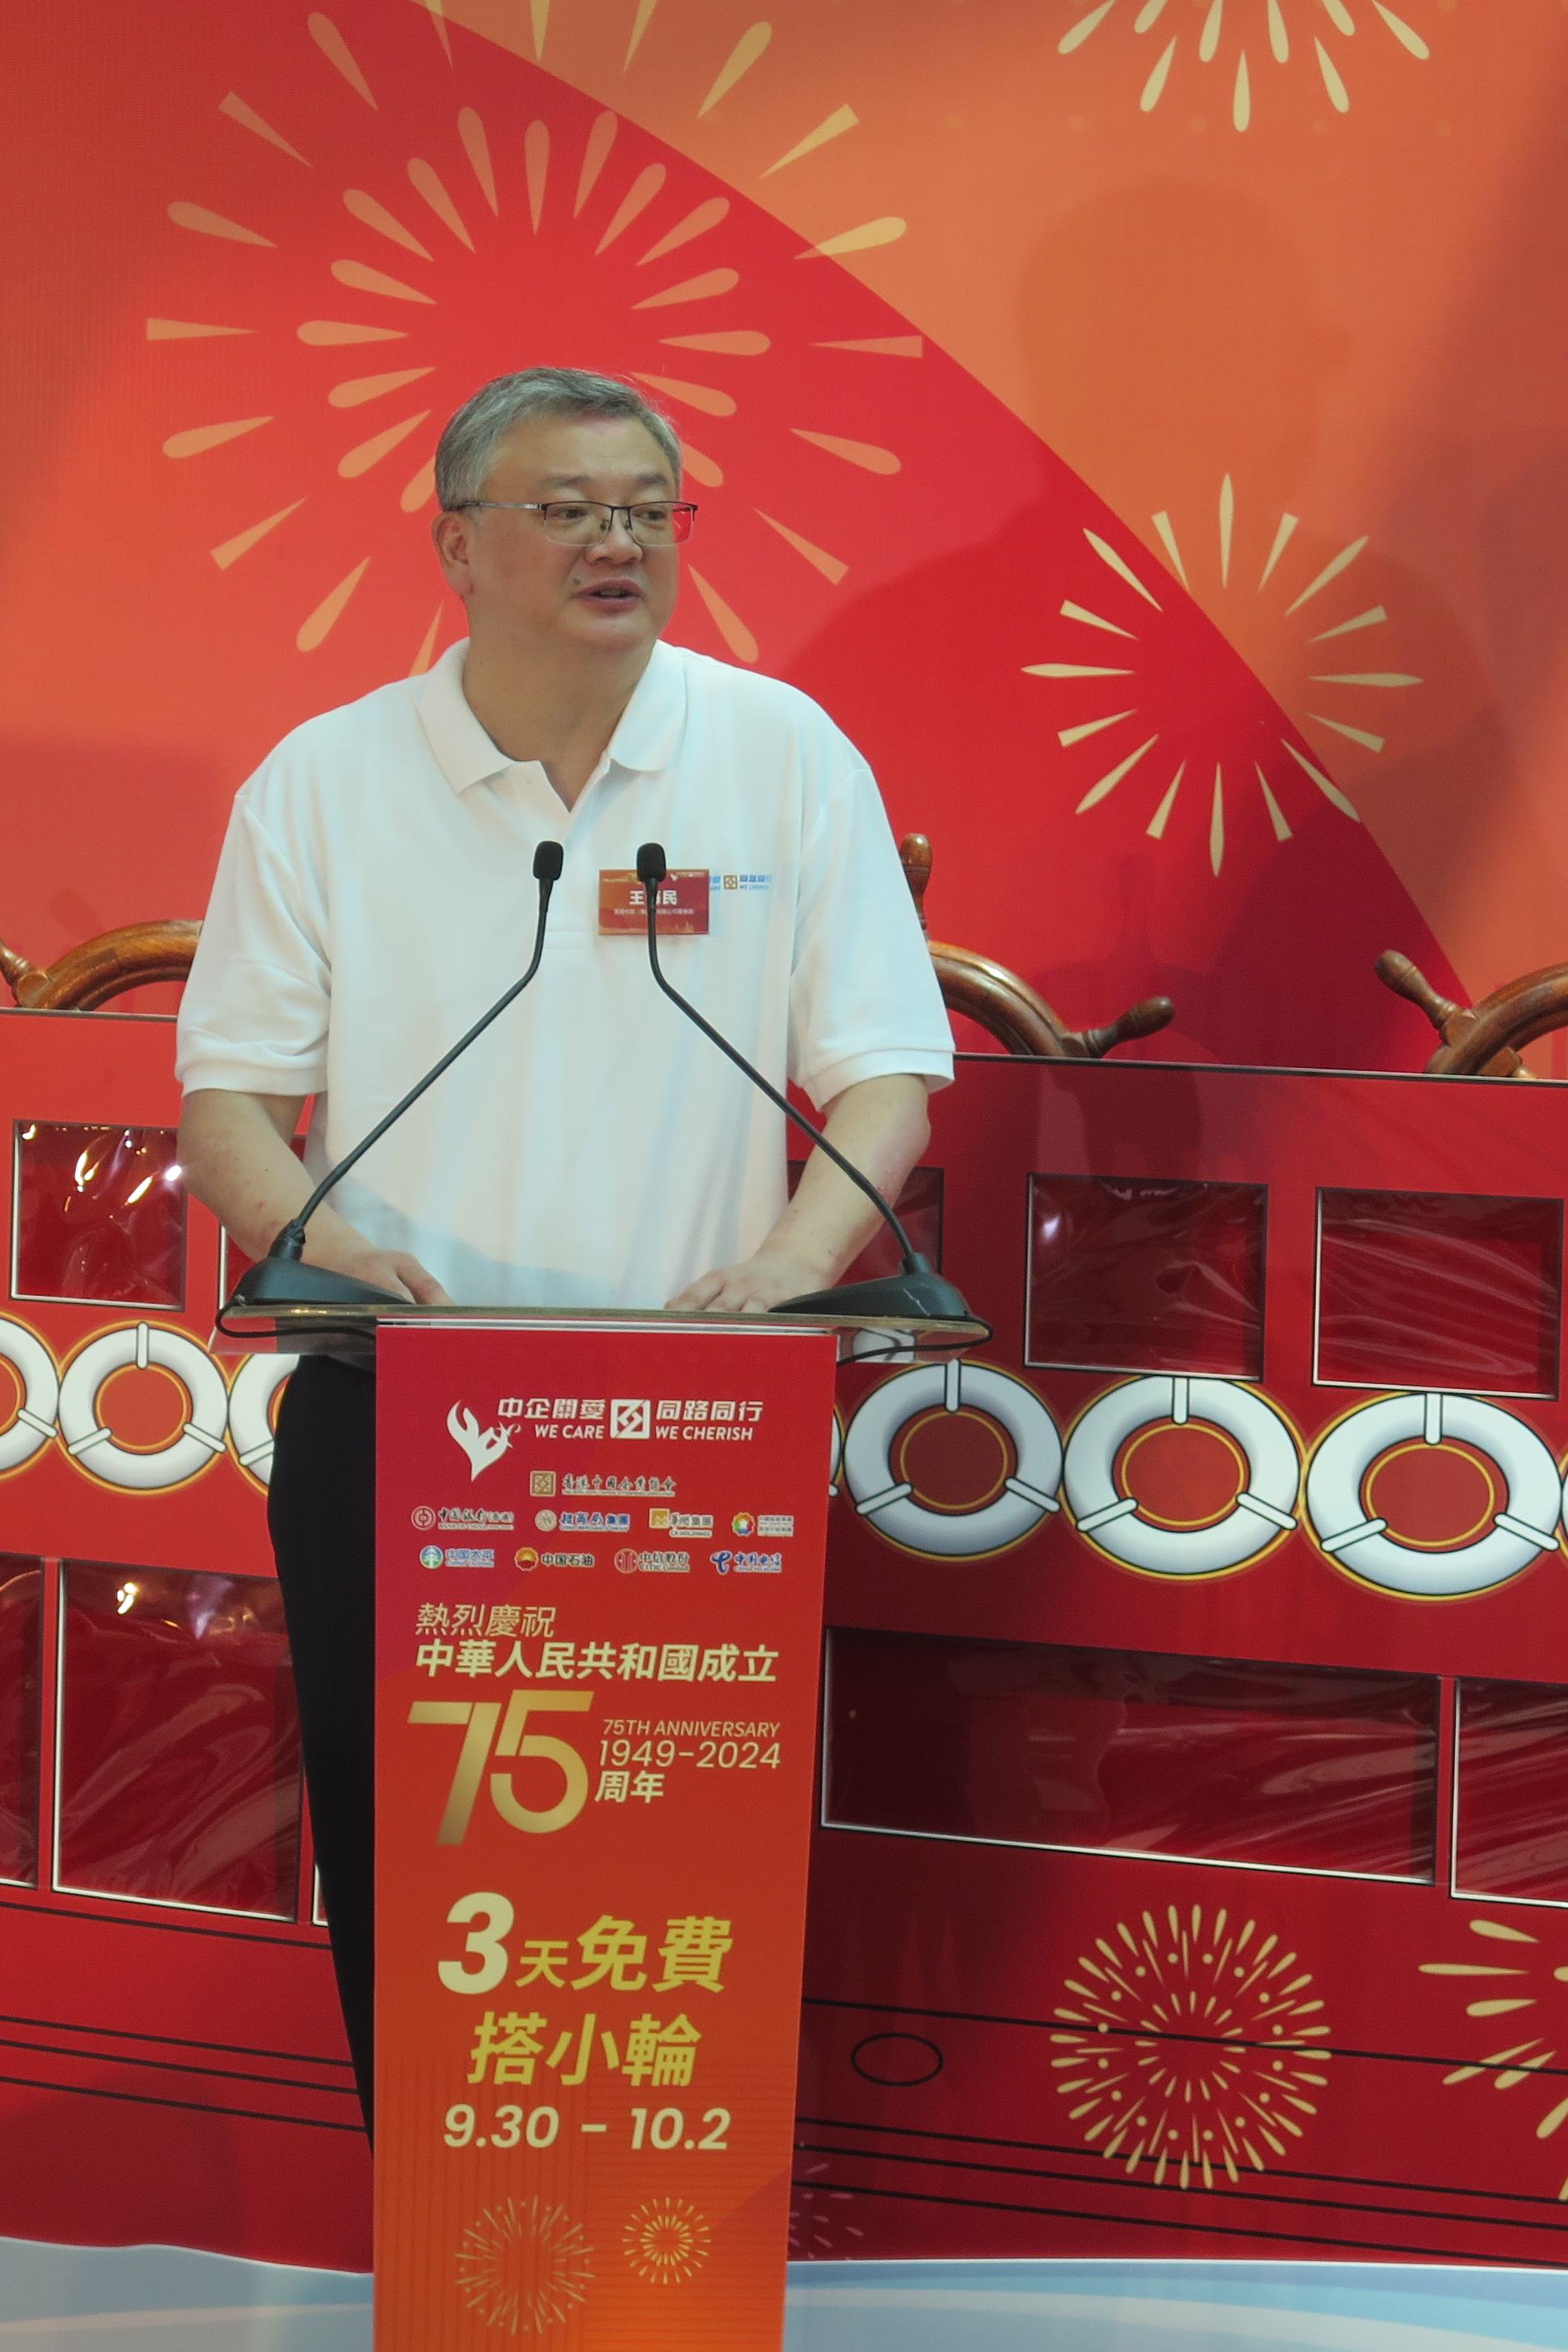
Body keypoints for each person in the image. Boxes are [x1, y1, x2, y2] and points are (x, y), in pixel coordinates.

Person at [173, 365, 955, 2135]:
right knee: (416, 1886)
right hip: (405, 1423)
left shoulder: (778, 754)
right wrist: (317, 1238)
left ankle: (653, 2275)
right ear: (456, 544)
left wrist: (793, 1262)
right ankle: (447, 2266)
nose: (619, 541)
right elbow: (227, 1107)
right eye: (568, 509)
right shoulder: (326, 783)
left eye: (647, 511)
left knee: (667, 1902)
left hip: (688, 1435)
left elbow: (886, 1074)